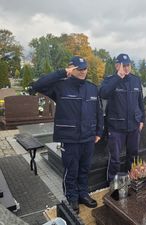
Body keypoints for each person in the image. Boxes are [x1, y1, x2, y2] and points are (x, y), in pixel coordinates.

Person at [29, 56, 103, 214]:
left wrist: (99, 131)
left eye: (85, 68)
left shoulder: (92, 88)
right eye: (79, 68)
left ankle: (83, 194)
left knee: (85, 169)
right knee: (72, 170)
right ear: (71, 69)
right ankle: (72, 197)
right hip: (70, 138)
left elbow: (98, 111)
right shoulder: (60, 86)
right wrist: (62, 73)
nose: (83, 71)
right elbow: (37, 85)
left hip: (88, 137)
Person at [99, 53, 144, 183]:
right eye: (123, 65)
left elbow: (140, 102)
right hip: (116, 127)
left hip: (133, 126)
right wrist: (118, 77)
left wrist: (141, 120)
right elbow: (103, 94)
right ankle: (112, 182)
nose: (126, 68)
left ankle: (132, 179)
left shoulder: (136, 80)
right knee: (115, 158)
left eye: (128, 65)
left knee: (133, 155)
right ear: (117, 65)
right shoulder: (110, 80)